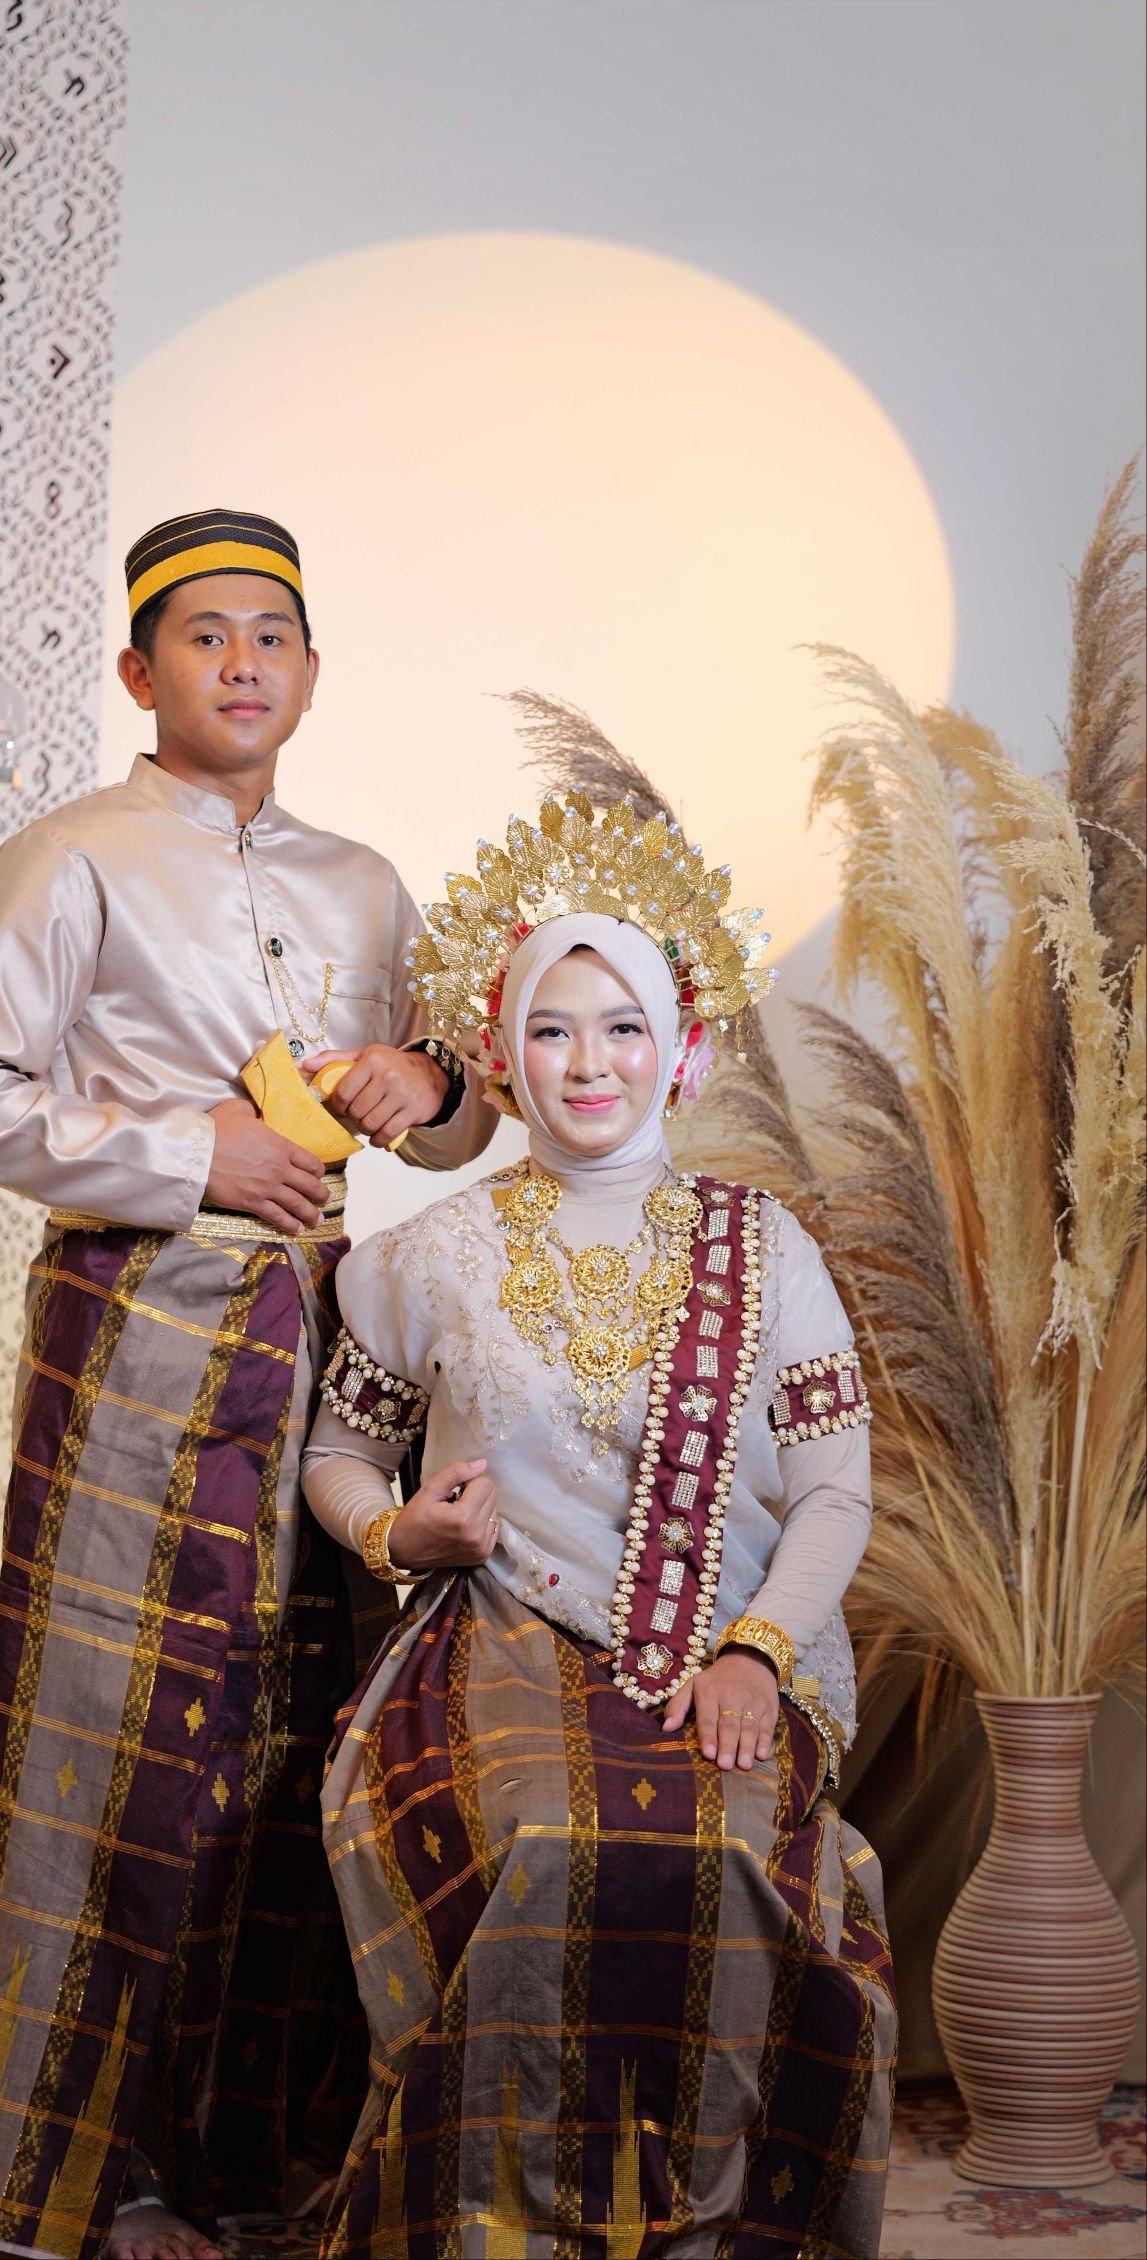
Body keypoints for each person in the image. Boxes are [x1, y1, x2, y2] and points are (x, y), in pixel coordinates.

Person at [0, 509, 495, 2260]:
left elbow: (456, 1117)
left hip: (326, 1347)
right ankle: (84, 2177)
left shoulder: (365, 882)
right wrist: (194, 1153)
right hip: (138, 1341)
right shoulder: (71, 857)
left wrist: (428, 1077)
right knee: (119, 1738)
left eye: (271, 636)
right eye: (204, 635)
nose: (242, 663)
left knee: (298, 1732)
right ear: (136, 669)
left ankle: (259, 2154)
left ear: (313, 675)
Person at [301, 792, 897, 2256]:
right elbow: (339, 1452)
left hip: (728, 1643)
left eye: (623, 1027)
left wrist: (756, 1653)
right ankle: (499, 2224)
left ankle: (710, 2225)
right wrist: (399, 1538)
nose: (589, 1064)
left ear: (679, 1046)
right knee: (546, 1838)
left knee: (728, 1849)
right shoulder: (429, 1253)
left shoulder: (765, 1247)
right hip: (496, 1639)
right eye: (553, 1030)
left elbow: (836, 1488)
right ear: (502, 1054)